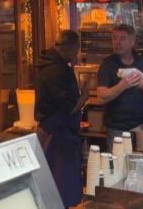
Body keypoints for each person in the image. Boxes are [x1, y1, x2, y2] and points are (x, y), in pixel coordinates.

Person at [35, 30, 88, 208]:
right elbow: (70, 107)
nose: (77, 54)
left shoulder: (51, 65)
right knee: (61, 185)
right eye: (76, 49)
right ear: (69, 47)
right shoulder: (56, 71)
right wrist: (85, 95)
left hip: (53, 130)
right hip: (57, 135)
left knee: (57, 183)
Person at [97, 24, 143, 150]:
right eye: (114, 38)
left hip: (142, 127)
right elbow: (101, 96)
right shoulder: (107, 64)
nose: (117, 42)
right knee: (118, 166)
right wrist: (123, 85)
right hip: (117, 128)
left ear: (132, 42)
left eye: (122, 38)